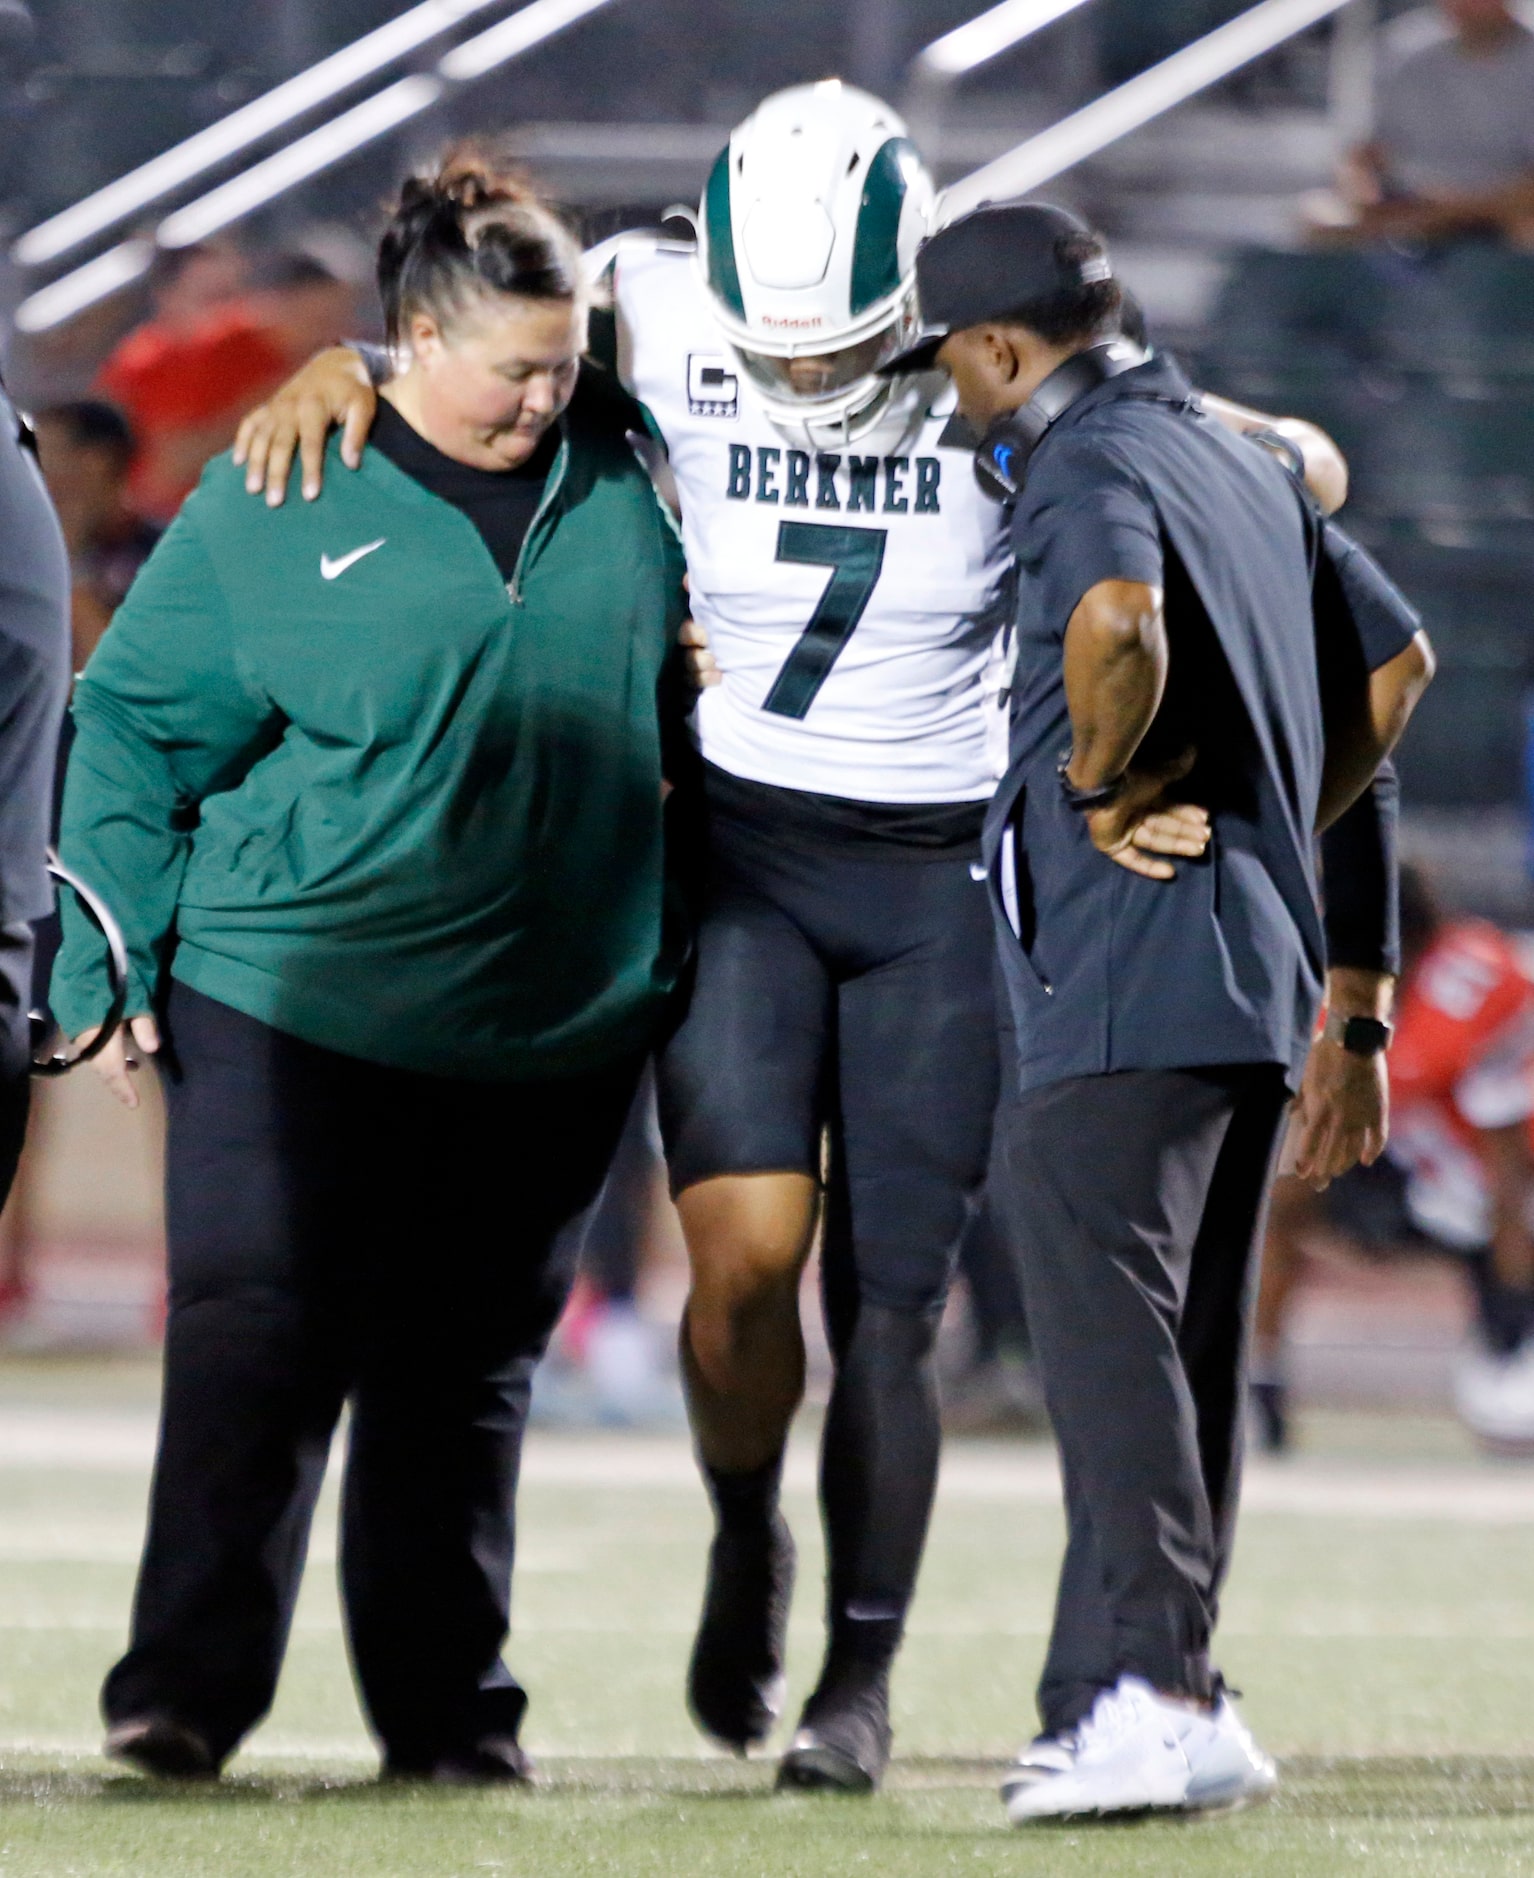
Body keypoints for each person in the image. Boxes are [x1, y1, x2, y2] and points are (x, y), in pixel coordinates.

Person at [232, 85, 1355, 1794]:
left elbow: (1263, 459)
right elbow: (481, 354)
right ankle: (747, 1516)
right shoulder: (651, 297)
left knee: (888, 1305)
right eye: (774, 344)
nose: (804, 378)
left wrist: (1142, 705)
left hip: (934, 879)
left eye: (842, 349)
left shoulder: (989, 360)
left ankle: (858, 1670)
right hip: (745, 846)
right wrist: (357, 362)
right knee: (743, 1270)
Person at [47, 148, 688, 1784]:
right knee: (256, 1330)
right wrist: (105, 960)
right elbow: (129, 726)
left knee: (462, 1381)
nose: (541, 401)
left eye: (561, 365)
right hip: (289, 994)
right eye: (506, 372)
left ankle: (444, 1713)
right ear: (412, 336)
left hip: (545, 1024)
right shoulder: (282, 484)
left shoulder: (627, 452)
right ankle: (181, 1690)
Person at [896, 199, 1430, 1824]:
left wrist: (1097, 772)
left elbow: (1112, 623)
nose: (955, 399)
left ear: (999, 346)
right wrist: (1347, 981)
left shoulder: (1084, 459)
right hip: (1251, 969)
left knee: (1106, 1341)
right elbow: (1393, 667)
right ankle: (1133, 1692)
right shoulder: (1236, 451)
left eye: (956, 369)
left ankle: (1148, 1687)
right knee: (1177, 1352)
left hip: (1122, 955)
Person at [1257, 863, 1534, 1454]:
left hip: (1496, 1179)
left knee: (1507, 1417)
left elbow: (1506, 1155)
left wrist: (1513, 1308)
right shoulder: (1327, 991)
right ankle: (1257, 1381)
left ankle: (1512, 1339)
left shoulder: (1473, 984)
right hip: (1404, 1164)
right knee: (1275, 1201)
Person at [1309, 0, 1534, 248]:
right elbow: (1360, 155)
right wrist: (1365, 197)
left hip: (1505, 210)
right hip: (1408, 204)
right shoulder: (1397, 48)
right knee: (1320, 217)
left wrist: (1455, 209)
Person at [32, 400, 160, 670]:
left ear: (97, 462)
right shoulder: (23, 551)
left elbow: (123, 674)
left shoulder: (163, 554)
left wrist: (66, 563)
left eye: (46, 453)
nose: (36, 471)